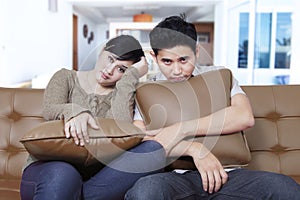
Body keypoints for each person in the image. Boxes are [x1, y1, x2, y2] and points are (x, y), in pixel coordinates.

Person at [125, 15, 300, 199]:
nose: (176, 70)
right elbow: (140, 141)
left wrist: (180, 130)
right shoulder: (148, 90)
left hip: (229, 175)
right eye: (167, 61)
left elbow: (243, 117)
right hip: (175, 179)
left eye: (184, 60)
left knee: (284, 186)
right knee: (145, 190)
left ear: (197, 51)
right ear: (154, 56)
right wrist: (194, 149)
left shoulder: (219, 77)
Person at [20, 35, 166, 200]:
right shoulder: (66, 77)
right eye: (110, 59)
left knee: (152, 151)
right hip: (50, 170)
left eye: (121, 69)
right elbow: (50, 109)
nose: (109, 70)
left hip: (98, 179)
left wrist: (130, 77)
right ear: (102, 51)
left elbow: (121, 128)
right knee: (65, 174)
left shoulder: (121, 95)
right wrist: (76, 111)